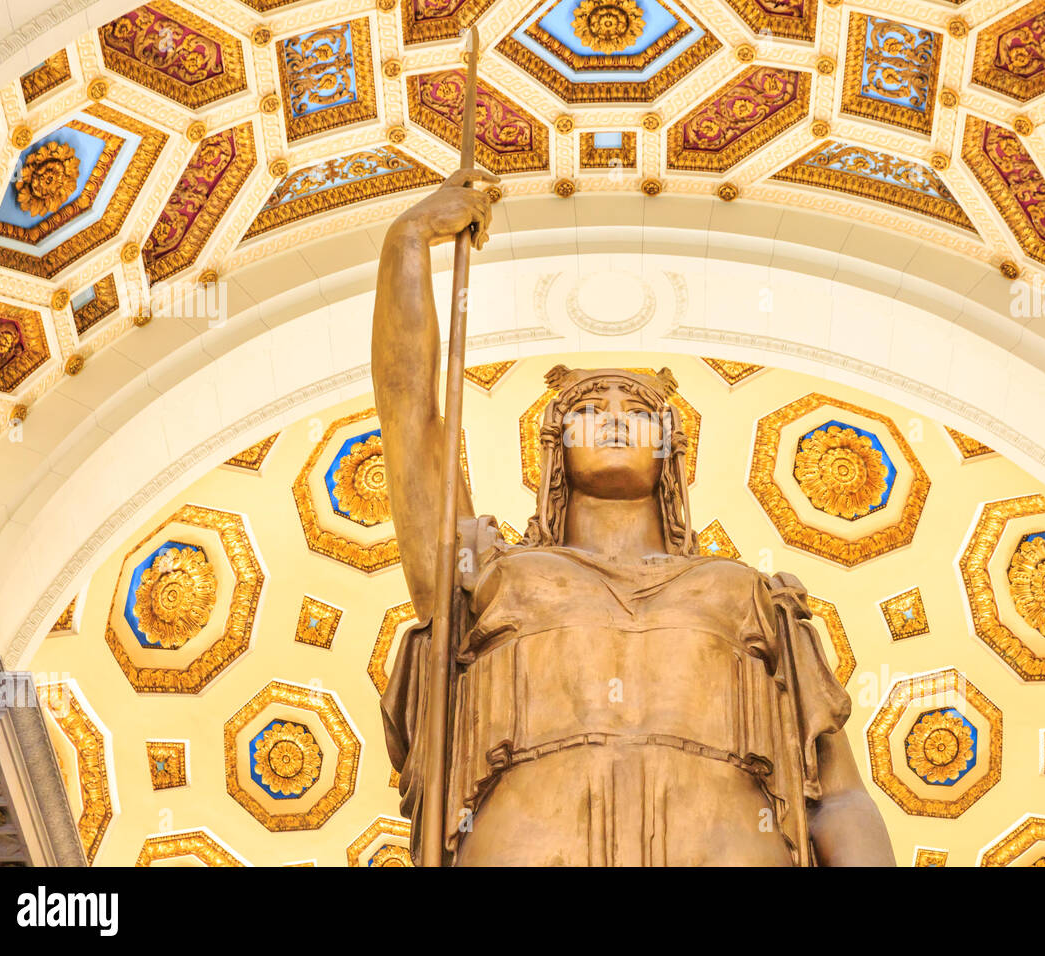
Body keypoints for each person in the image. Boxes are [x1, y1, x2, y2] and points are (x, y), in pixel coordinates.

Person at [371, 169, 895, 866]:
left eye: (638, 415)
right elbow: (412, 414)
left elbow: (838, 796)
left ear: (668, 453)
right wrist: (407, 244)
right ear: (557, 447)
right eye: (591, 412)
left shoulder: (749, 594)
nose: (615, 422)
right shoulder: (490, 575)